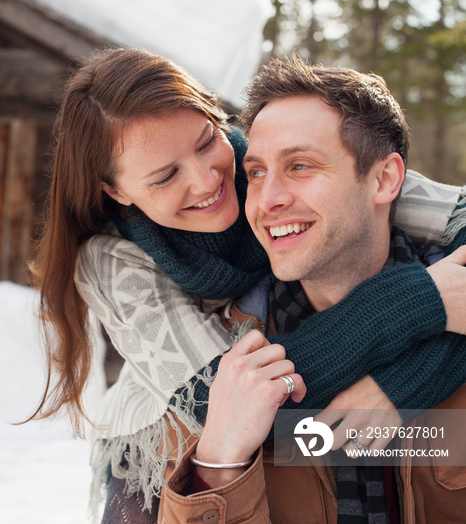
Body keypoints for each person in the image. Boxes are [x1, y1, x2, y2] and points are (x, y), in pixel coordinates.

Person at [28, 48, 466, 522]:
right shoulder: (114, 261)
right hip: (167, 412)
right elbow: (232, 404)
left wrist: (408, 381)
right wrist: (415, 302)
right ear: (117, 190)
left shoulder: (259, 159)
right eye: (166, 176)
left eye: (205, 142)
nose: (207, 180)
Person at [159, 56, 466, 524]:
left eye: (300, 165)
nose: (268, 199)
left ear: (384, 179)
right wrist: (218, 464)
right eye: (257, 173)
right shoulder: (218, 369)